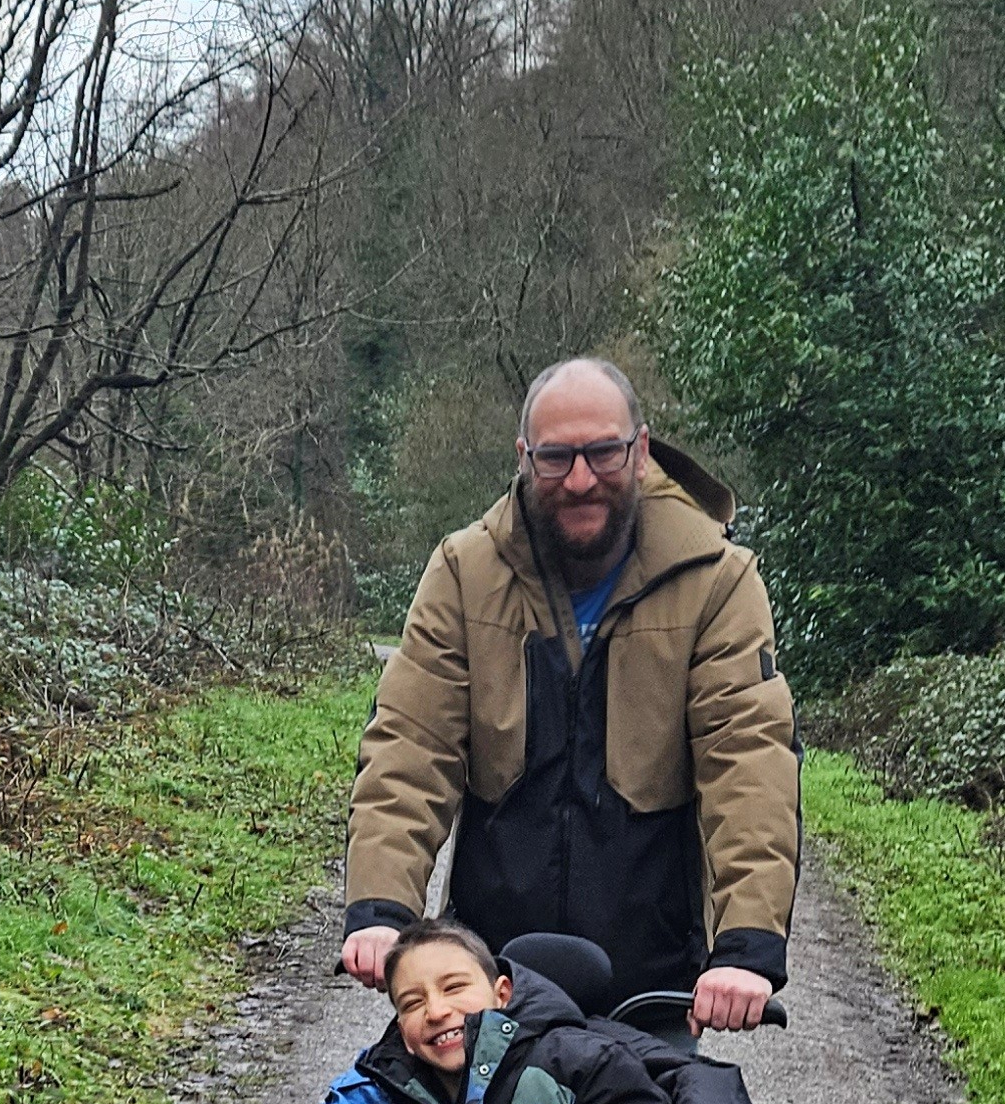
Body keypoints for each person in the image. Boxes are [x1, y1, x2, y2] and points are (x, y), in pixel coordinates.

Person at [341, 355, 799, 1029]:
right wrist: (382, 910)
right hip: (488, 980)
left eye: (603, 453)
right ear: (524, 458)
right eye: (556, 458)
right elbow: (412, 746)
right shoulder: (465, 573)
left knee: (661, 1103)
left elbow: (748, 758)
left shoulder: (716, 580)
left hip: (650, 981)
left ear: (640, 451)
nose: (581, 479)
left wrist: (746, 945)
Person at [363, 917, 687, 1104]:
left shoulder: (582, 1066)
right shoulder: (385, 1095)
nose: (435, 1011)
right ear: (402, 1031)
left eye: (454, 987)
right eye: (412, 1003)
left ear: (502, 994)